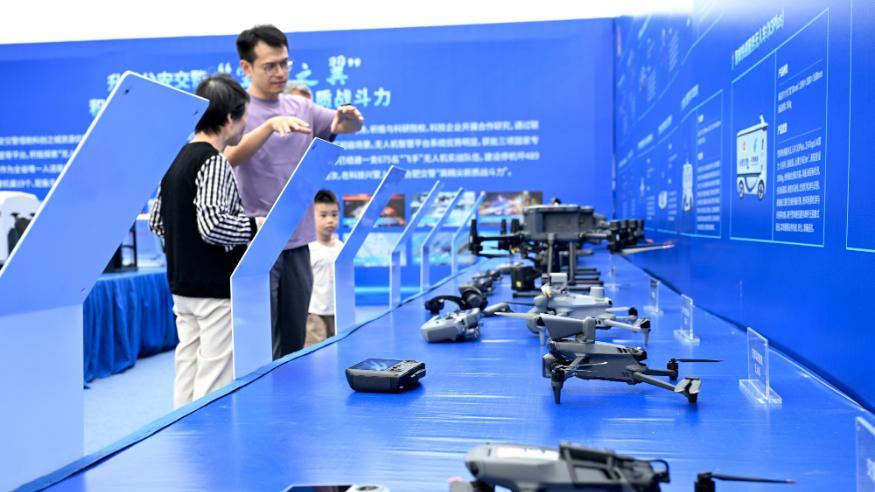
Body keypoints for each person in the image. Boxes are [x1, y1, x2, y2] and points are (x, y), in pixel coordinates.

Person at [226, 24, 364, 360]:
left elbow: (344, 126)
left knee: (294, 337)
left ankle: (288, 390)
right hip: (256, 240)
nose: (280, 72)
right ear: (246, 67)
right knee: (260, 335)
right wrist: (268, 127)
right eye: (269, 66)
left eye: (284, 63)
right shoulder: (239, 108)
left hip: (299, 239)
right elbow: (229, 155)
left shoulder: (300, 107)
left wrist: (349, 120)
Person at [149, 74, 263, 408]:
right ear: (229, 118)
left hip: (182, 285)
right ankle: (207, 436)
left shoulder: (175, 159)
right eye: (244, 116)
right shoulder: (214, 162)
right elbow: (212, 225)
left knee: (187, 364)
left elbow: (157, 222)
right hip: (214, 287)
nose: (246, 125)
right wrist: (255, 226)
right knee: (215, 374)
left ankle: (181, 430)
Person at [305, 189, 343, 346]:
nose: (330, 220)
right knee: (315, 352)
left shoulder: (341, 247)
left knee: (338, 348)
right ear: (311, 217)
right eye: (323, 215)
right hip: (314, 312)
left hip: (337, 311)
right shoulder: (308, 248)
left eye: (334, 215)